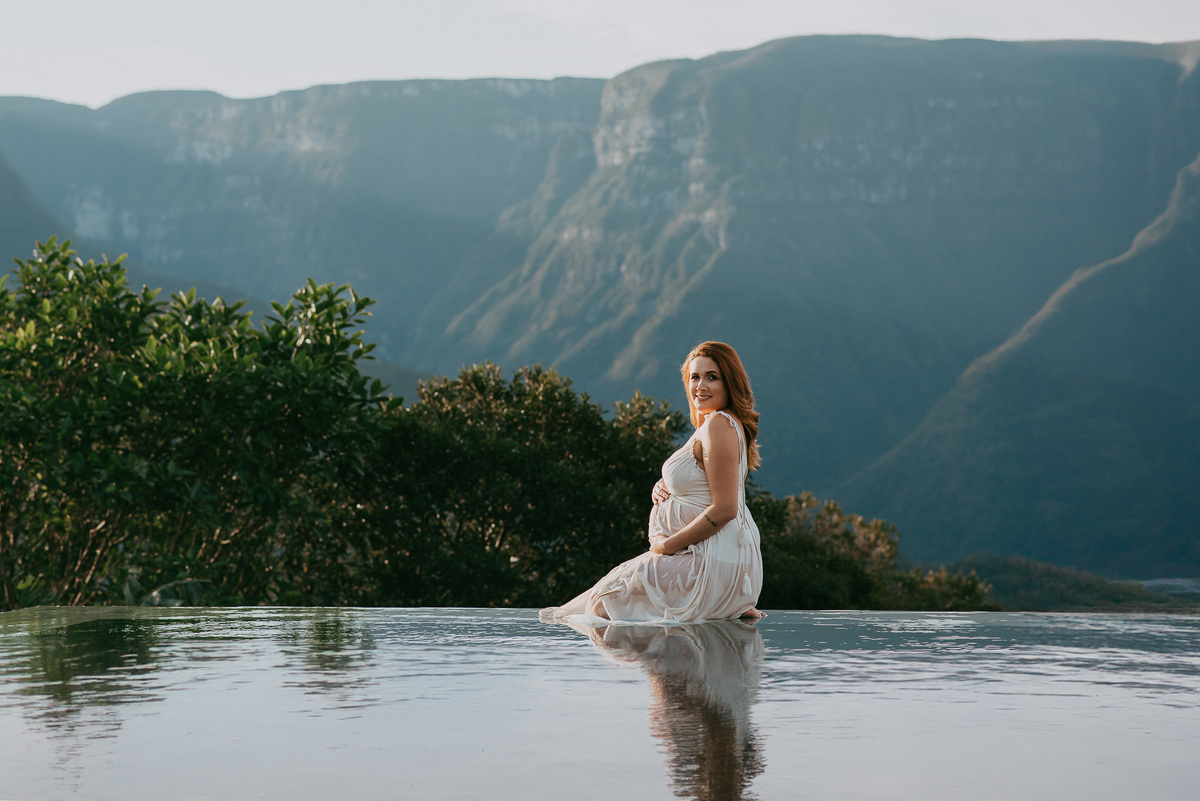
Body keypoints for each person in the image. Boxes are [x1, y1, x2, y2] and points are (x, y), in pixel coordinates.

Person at [541, 341, 764, 623]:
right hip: (715, 558)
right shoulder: (718, 423)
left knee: (607, 599)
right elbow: (702, 480)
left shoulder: (719, 424)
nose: (700, 386)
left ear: (730, 382)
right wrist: (666, 483)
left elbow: (725, 509)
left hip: (711, 562)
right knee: (606, 589)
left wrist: (667, 546)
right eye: (694, 377)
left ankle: (721, 600)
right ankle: (725, 601)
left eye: (712, 377)